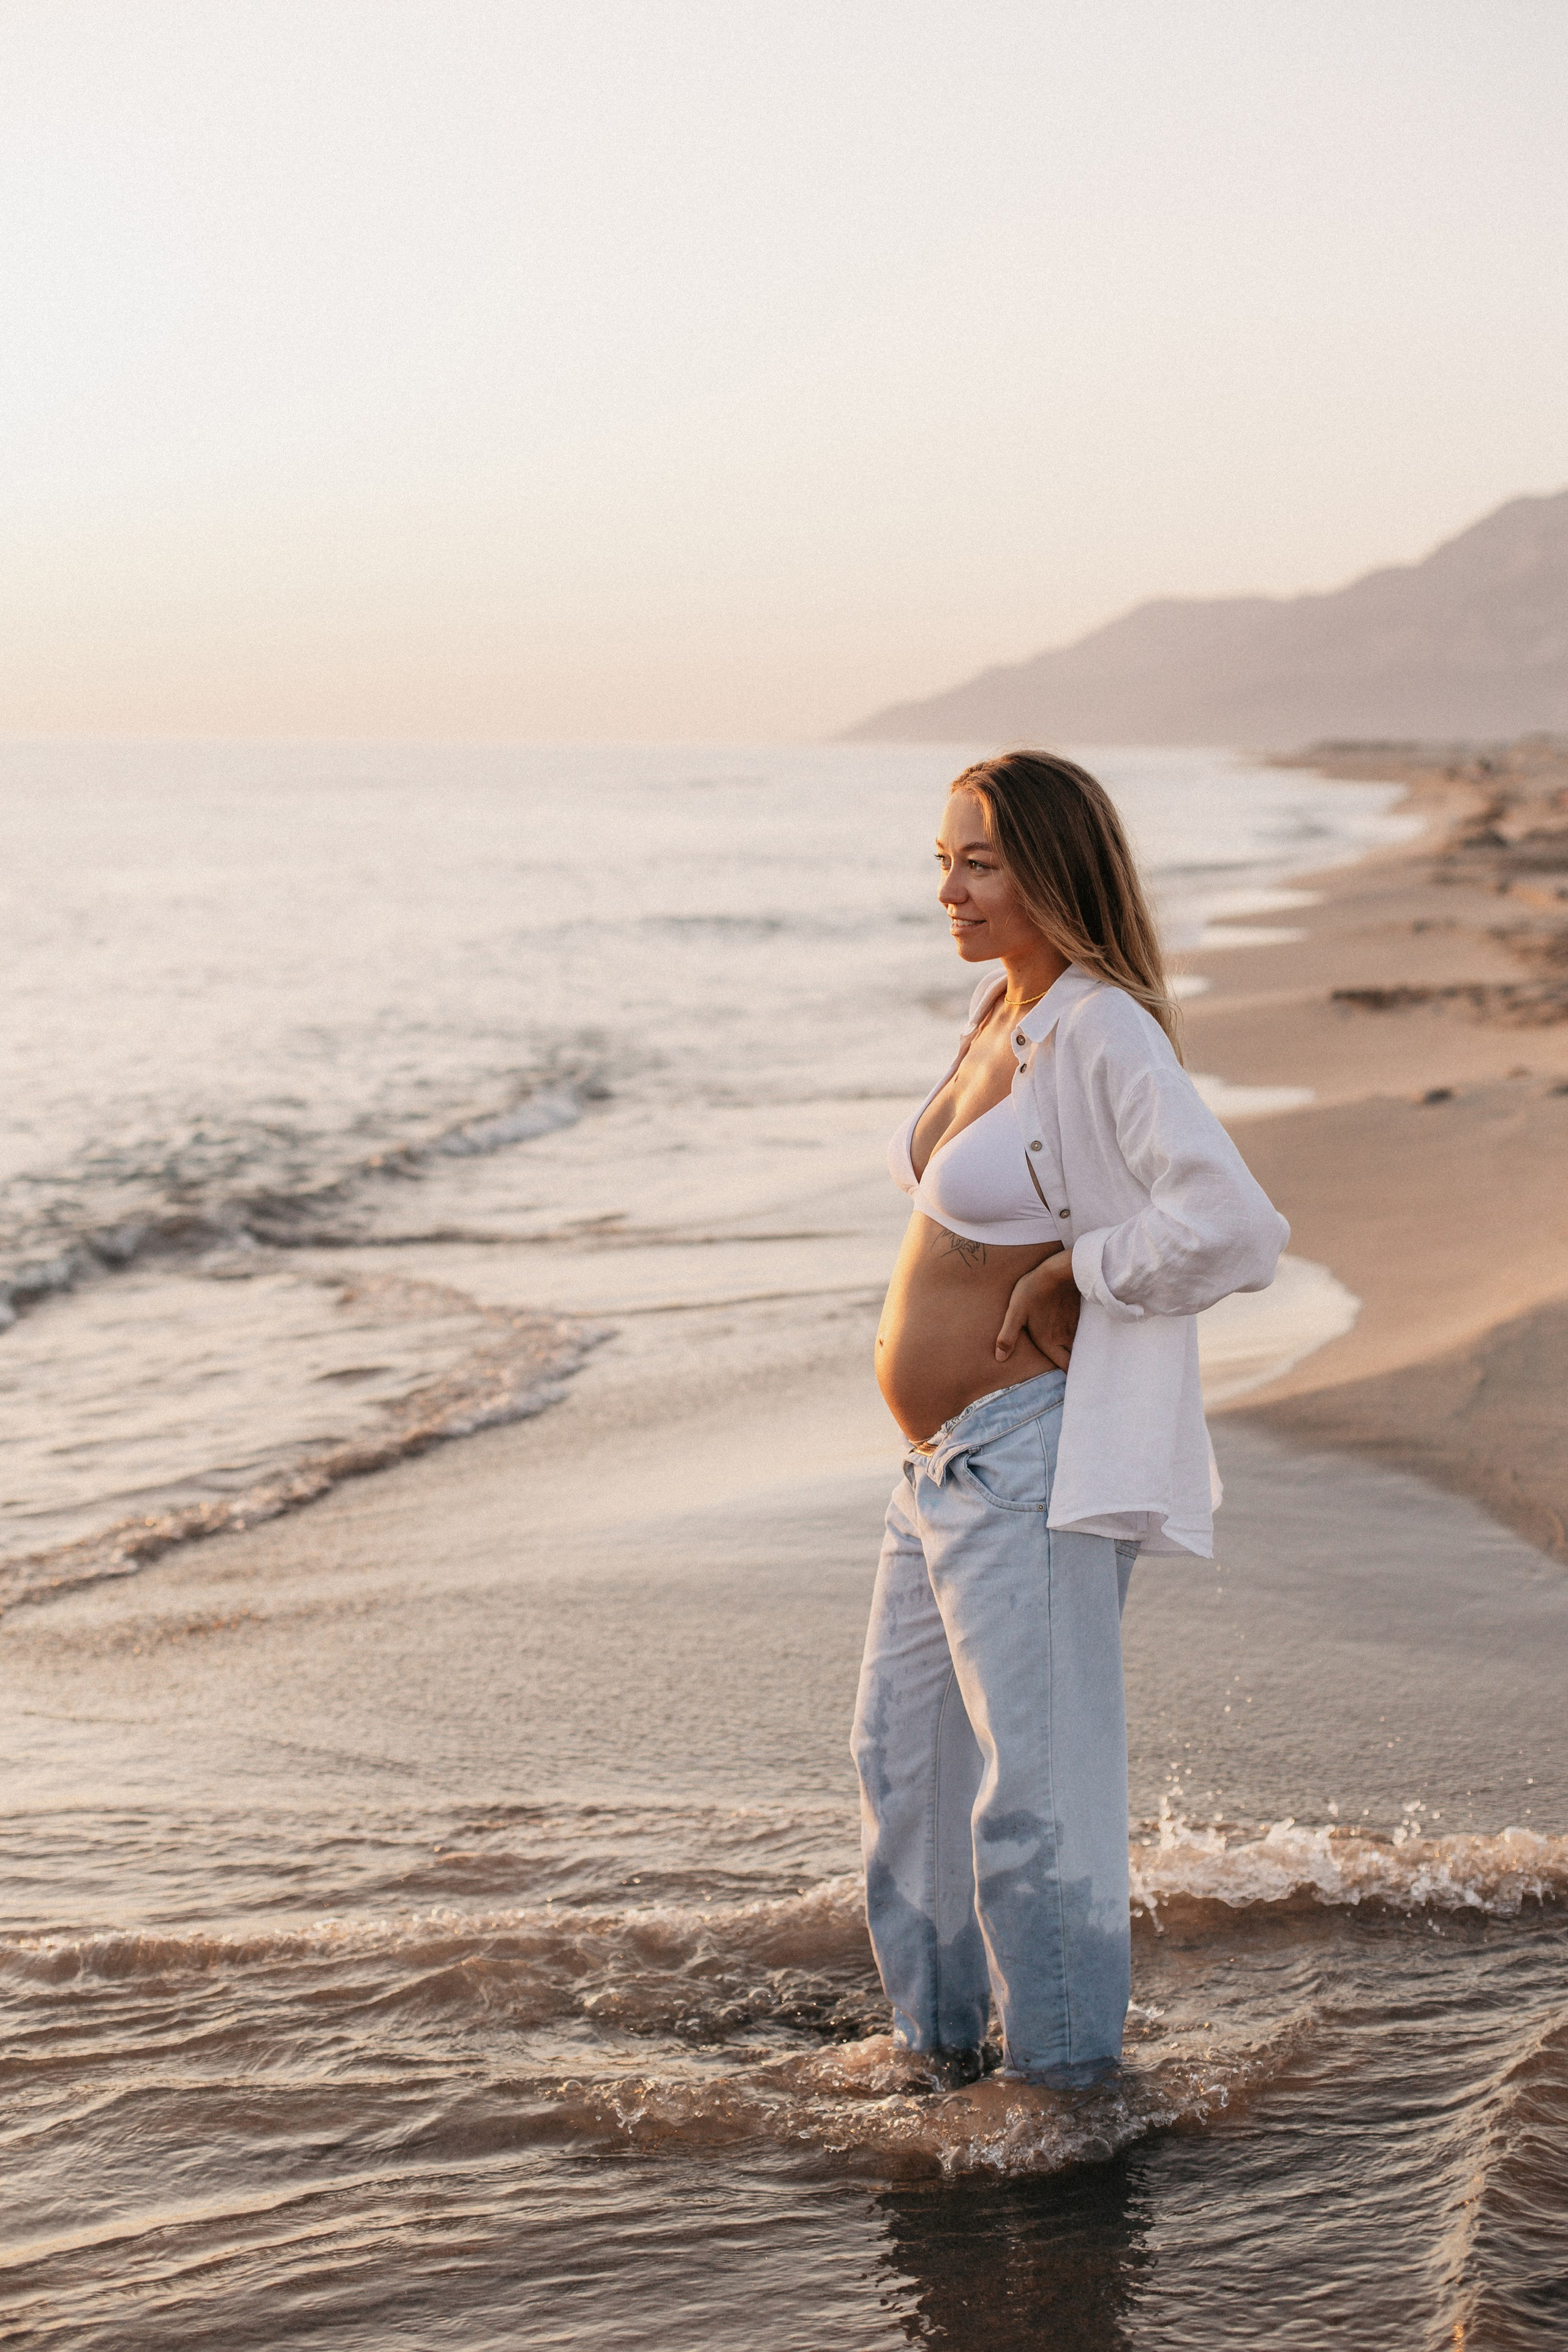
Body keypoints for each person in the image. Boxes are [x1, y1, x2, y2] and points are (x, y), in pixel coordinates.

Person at [852, 750, 1288, 2087]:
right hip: (935, 1468)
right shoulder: (1002, 1010)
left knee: (1035, 1809)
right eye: (942, 861)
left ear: (1050, 871)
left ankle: (1063, 2103)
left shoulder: (1101, 1026)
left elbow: (1231, 1226)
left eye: (977, 862)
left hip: (1024, 1458)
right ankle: (934, 2059)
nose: (949, 889)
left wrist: (1079, 1271)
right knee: (904, 1778)